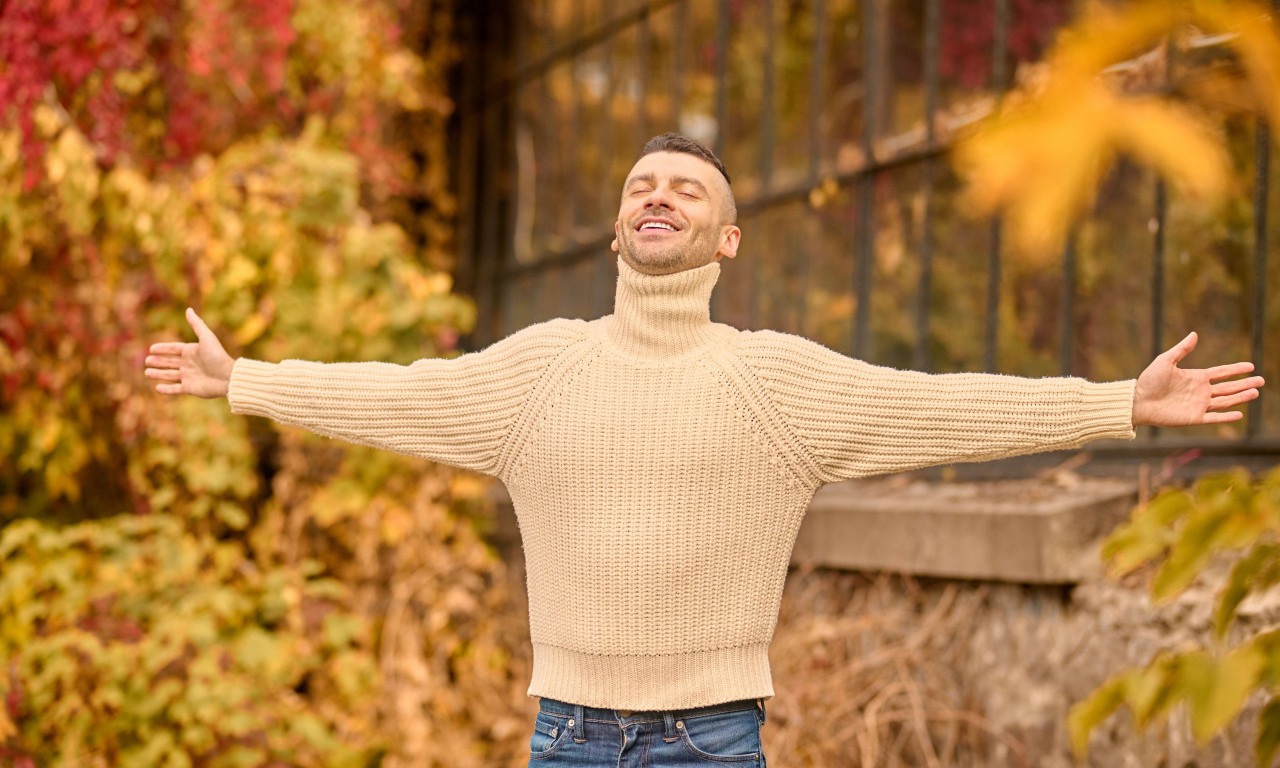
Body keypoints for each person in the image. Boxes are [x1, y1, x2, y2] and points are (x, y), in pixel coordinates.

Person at [145, 133, 1264, 767]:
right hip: (564, 738)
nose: (656, 195)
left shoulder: (775, 381)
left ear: (724, 238)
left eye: (684, 188)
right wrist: (242, 379)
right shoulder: (538, 370)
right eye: (639, 185)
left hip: (712, 744)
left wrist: (1118, 403)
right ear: (619, 227)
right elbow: (397, 394)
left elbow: (944, 408)